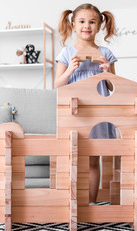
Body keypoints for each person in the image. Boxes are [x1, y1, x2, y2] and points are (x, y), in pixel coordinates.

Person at [55, 3, 117, 205]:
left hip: (99, 113)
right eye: (82, 21)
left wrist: (107, 71)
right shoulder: (66, 52)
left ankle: (91, 203)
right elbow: (57, 85)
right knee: (73, 157)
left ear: (99, 26)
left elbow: (114, 87)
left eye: (92, 22)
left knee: (93, 158)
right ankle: (71, 202)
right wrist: (70, 70)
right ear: (73, 25)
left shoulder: (105, 53)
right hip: (75, 112)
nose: (86, 26)